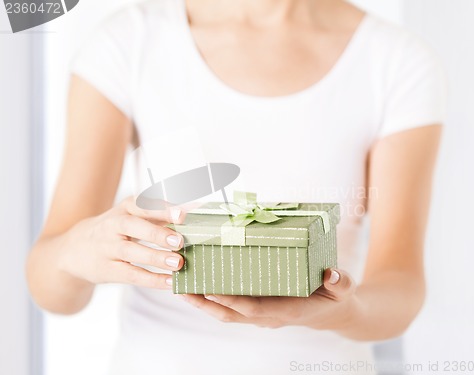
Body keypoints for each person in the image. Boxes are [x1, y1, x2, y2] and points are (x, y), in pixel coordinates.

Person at [26, 0, 446, 374]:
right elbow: (51, 288)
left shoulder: (395, 60)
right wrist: (80, 249)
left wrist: (338, 310)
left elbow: (400, 290)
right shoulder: (129, 41)